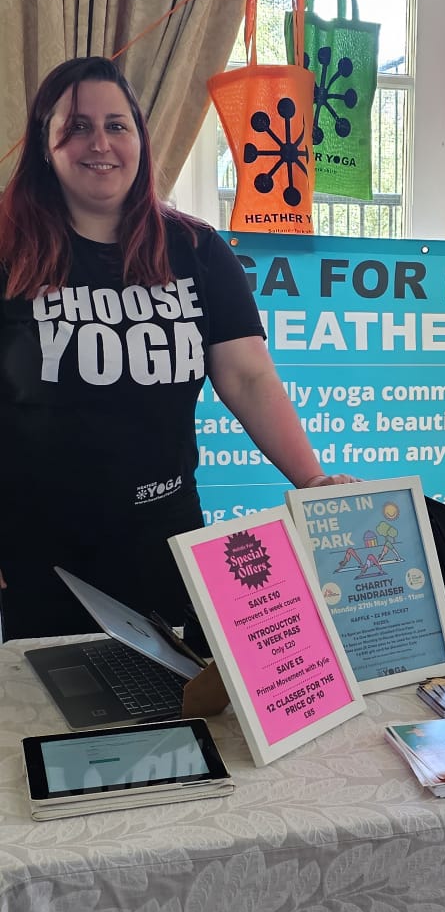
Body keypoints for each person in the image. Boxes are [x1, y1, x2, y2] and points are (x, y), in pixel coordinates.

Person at [0, 56, 354, 640]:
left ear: (141, 139)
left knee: (174, 693)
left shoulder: (196, 249)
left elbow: (248, 378)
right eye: (78, 126)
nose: (100, 143)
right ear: (45, 142)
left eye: (117, 125)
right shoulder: (8, 250)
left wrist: (311, 479)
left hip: (165, 538)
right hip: (39, 549)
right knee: (55, 696)